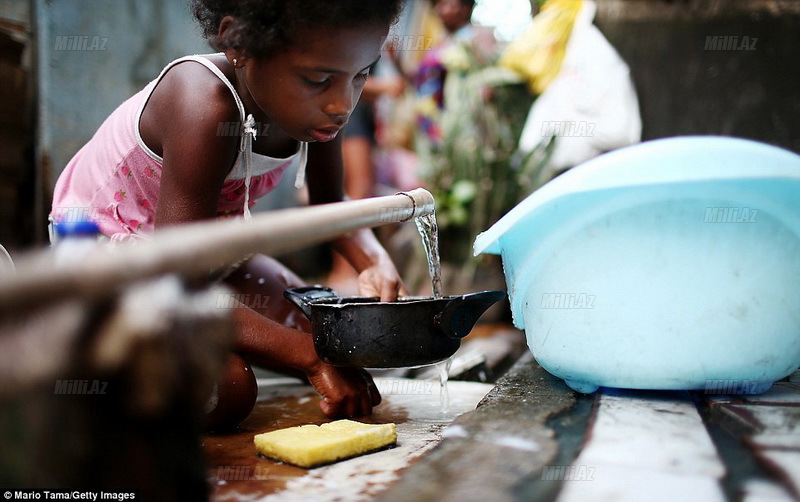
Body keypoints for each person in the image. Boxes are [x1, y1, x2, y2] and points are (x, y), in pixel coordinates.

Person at [49, 0, 408, 429]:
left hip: (210, 256)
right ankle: (91, 364)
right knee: (228, 389)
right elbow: (178, 279)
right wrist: (309, 360)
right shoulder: (202, 103)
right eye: (318, 80)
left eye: (362, 74)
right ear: (238, 43)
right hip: (119, 263)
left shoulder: (323, 107)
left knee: (333, 338)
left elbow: (330, 201)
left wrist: (373, 260)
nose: (342, 104)